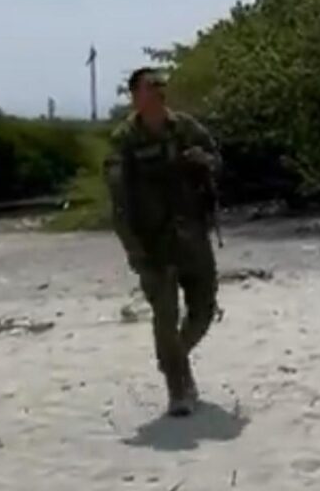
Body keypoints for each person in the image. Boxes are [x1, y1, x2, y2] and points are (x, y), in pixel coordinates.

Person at [104, 68, 221, 417]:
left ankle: (174, 359)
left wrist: (205, 162)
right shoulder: (124, 139)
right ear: (135, 96)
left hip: (193, 235)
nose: (158, 92)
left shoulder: (185, 128)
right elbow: (119, 200)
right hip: (152, 241)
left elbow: (217, 160)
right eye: (150, 87)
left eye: (161, 87)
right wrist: (133, 248)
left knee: (204, 309)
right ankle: (178, 389)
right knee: (165, 315)